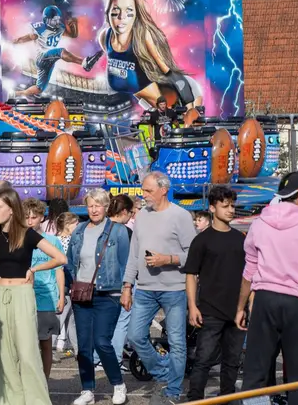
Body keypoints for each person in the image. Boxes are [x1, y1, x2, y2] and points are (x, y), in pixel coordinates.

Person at [0, 188, 67, 405]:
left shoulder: (27, 233)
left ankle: (36, 401)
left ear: (11, 209)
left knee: (27, 352)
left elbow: (60, 258)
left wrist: (35, 269)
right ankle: (8, 400)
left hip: (22, 295)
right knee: (2, 353)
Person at [236, 172, 298, 405]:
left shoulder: (259, 224)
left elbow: (249, 271)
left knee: (255, 372)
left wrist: (241, 307)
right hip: (297, 303)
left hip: (264, 300)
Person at [121, 172, 196, 405]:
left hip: (175, 289)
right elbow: (134, 254)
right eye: (143, 190)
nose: (143, 195)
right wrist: (127, 285)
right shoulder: (142, 215)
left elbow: (194, 255)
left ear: (164, 190)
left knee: (177, 343)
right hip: (144, 288)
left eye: (148, 190)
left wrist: (168, 259)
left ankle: (172, 392)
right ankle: (164, 372)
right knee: (135, 336)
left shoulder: (181, 216)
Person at [68, 189, 130, 405]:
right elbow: (70, 261)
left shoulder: (118, 231)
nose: (94, 210)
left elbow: (126, 263)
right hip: (82, 293)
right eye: (90, 205)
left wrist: (126, 289)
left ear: (106, 207)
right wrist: (71, 284)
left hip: (108, 293)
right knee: (83, 345)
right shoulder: (79, 230)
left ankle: (118, 384)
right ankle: (87, 390)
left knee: (101, 341)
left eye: (98, 205)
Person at [184, 186, 245, 402]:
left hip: (237, 311)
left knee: (232, 361)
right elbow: (191, 274)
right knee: (203, 360)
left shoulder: (241, 239)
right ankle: (195, 399)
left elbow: (248, 276)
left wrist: (248, 305)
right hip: (210, 310)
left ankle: (227, 399)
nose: (230, 210)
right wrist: (193, 306)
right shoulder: (202, 240)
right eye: (225, 206)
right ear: (212, 208)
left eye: (232, 205)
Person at [24, 198, 65, 379]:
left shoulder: (52, 241)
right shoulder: (20, 240)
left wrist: (61, 296)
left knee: (45, 343)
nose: (30, 221)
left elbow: (59, 270)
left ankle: (45, 381)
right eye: (26, 217)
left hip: (47, 298)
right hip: (26, 297)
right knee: (27, 344)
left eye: (34, 217)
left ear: (42, 217)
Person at [102, 195, 135, 371]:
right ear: (124, 211)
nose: (131, 216)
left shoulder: (99, 227)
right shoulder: (125, 231)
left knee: (103, 322)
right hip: (121, 280)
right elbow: (130, 259)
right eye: (130, 212)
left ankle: (98, 358)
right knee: (122, 320)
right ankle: (114, 359)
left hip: (100, 280)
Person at [55, 212, 81, 358]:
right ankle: (49, 348)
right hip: (66, 284)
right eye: (75, 224)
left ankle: (78, 350)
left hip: (67, 284)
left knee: (71, 320)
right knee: (61, 319)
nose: (78, 226)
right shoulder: (69, 241)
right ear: (67, 225)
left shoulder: (54, 240)